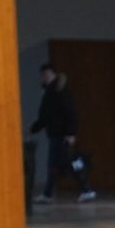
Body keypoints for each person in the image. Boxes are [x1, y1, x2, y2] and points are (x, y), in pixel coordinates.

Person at [29, 63, 96, 203]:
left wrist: (71, 133)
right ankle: (49, 194)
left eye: (47, 74)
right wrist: (34, 128)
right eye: (43, 75)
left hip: (62, 135)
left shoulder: (60, 91)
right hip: (56, 134)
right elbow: (46, 116)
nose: (45, 77)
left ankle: (86, 190)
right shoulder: (49, 92)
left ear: (53, 74)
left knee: (68, 163)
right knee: (56, 164)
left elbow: (71, 113)